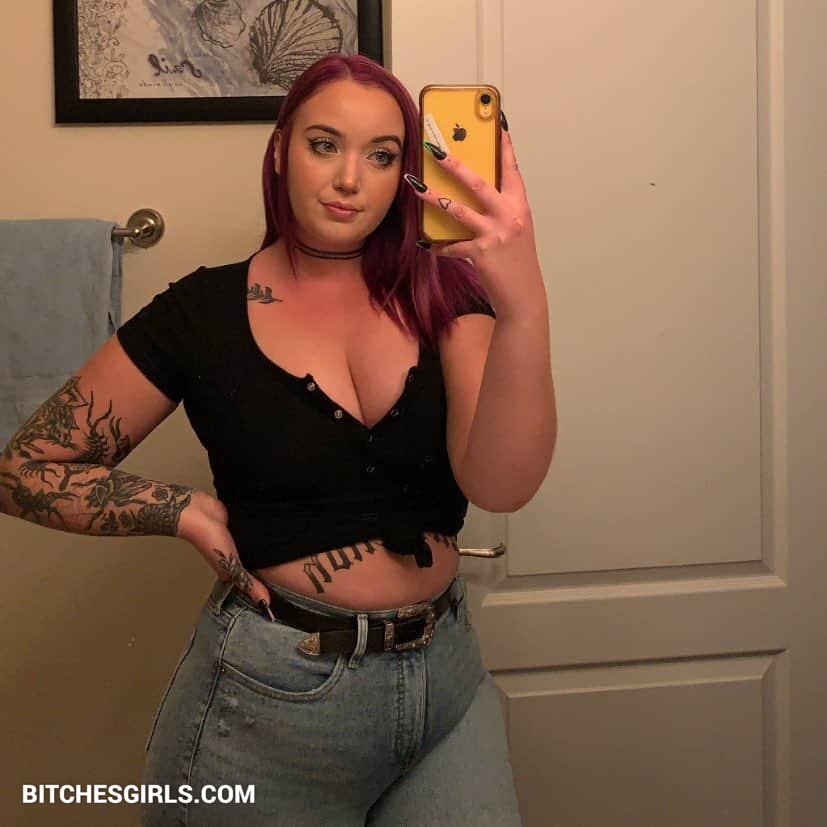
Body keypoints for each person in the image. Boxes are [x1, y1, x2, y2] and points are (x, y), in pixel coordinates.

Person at [0, 54, 555, 825]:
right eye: (324, 145)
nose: (349, 179)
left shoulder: (448, 297)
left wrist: (522, 304)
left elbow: (501, 484)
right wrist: (179, 508)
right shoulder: (203, 311)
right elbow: (22, 468)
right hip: (270, 703)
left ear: (405, 175)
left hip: (447, 687)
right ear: (280, 150)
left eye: (381, 156)